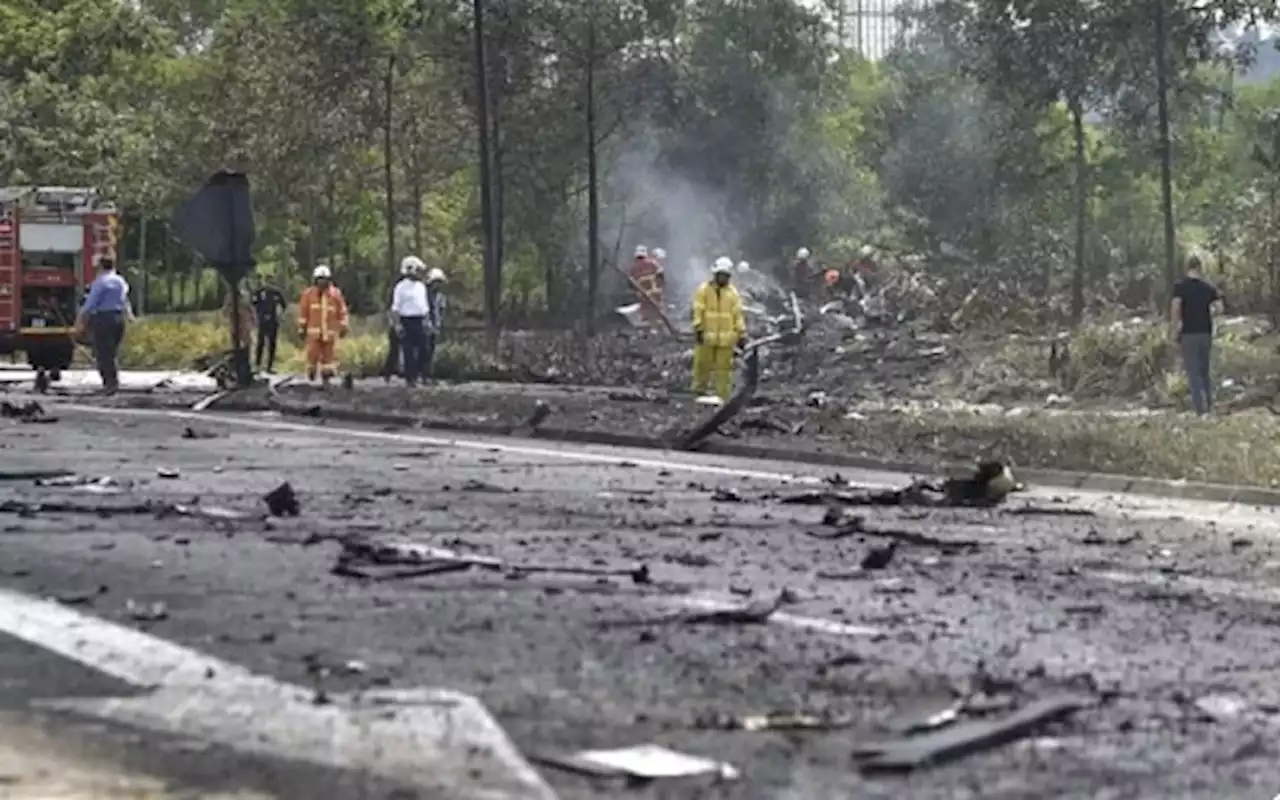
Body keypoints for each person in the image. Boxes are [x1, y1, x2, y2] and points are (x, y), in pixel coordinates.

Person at [1170, 254, 1224, 415]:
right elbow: (1220, 308)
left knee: (1192, 371)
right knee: (1204, 371)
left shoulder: (1180, 286)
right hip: (1205, 332)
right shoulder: (1208, 287)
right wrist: (1208, 312)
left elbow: (1175, 309)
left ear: (1187, 268)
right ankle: (1209, 404)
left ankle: (1200, 410)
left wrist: (1174, 331)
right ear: (1200, 268)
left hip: (1188, 333)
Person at [691, 256, 747, 401]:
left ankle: (723, 396)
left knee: (724, 370)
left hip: (726, 339)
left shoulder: (733, 293)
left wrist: (742, 333)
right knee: (702, 365)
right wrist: (698, 328)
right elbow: (698, 310)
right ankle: (699, 391)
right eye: (720, 275)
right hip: (707, 337)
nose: (723, 278)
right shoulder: (703, 290)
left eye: (725, 275)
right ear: (715, 274)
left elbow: (737, 315)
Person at [74, 257, 131, 395]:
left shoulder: (100, 282)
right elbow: (125, 300)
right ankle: (113, 382)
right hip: (118, 319)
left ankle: (109, 383)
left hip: (103, 318)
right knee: (112, 352)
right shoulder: (120, 281)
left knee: (103, 353)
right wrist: (129, 315)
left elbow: (91, 302)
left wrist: (80, 318)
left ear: (100, 267)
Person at [297, 264, 349, 385]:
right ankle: (312, 373)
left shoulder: (335, 294)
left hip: (329, 334)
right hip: (314, 333)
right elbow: (303, 313)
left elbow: (342, 312)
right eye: (319, 279)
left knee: (328, 358)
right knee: (312, 355)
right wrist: (301, 328)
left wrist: (344, 326)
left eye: (324, 279)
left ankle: (327, 378)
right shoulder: (308, 294)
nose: (322, 282)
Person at [390, 256, 429, 387]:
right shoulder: (400, 287)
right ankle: (410, 378)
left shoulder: (421, 286)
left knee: (424, 349)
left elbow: (424, 306)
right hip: (406, 320)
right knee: (408, 351)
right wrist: (397, 325)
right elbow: (395, 308)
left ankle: (421, 374)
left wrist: (427, 321)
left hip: (419, 320)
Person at [382, 258, 418, 382]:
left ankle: (404, 372)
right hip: (398, 319)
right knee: (395, 348)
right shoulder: (398, 286)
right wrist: (394, 322)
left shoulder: (415, 287)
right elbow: (392, 306)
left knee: (406, 348)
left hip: (405, 319)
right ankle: (388, 372)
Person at [251, 278, 287, 373]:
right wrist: (256, 316)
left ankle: (269, 366)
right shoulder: (258, 292)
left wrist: (280, 314)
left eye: (270, 281)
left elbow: (283, 304)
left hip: (273, 321)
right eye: (266, 281)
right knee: (260, 343)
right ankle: (257, 365)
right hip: (262, 321)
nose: (267, 283)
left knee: (272, 344)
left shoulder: (276, 293)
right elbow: (253, 304)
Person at [629, 245, 665, 328]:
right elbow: (661, 275)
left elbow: (631, 284)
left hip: (643, 295)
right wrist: (660, 286)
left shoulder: (633, 268)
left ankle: (651, 330)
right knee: (657, 313)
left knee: (647, 314)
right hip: (656, 293)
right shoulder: (653, 263)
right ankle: (659, 329)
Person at [424, 267, 448, 379]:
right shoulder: (424, 295)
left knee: (432, 350)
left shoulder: (441, 297)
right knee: (425, 350)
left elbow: (441, 311)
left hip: (435, 326)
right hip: (425, 326)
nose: (437, 285)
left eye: (439, 282)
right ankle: (422, 373)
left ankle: (429, 373)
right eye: (435, 282)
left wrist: (439, 324)